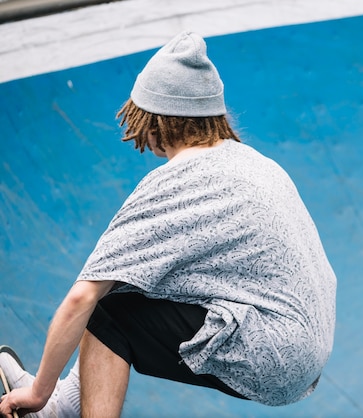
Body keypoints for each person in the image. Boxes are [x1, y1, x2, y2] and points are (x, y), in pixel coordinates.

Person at [0, 31, 336, 418]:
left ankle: (53, 406)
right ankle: (70, 403)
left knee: (107, 311)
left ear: (156, 119)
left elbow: (81, 299)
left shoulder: (181, 179)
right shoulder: (257, 165)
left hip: (270, 350)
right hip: (303, 349)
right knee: (138, 283)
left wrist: (37, 392)